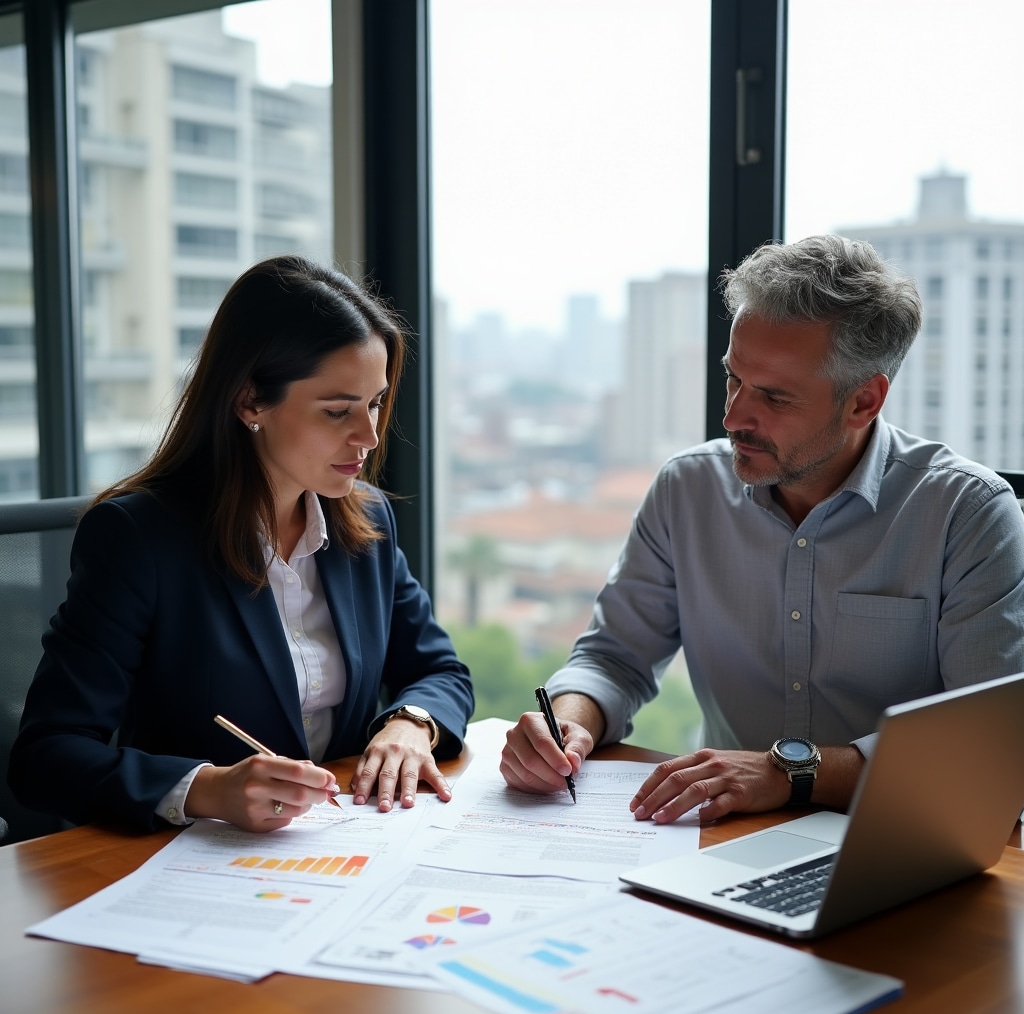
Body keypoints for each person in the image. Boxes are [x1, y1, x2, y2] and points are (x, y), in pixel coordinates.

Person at [501, 234, 1024, 824]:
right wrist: (569, 720)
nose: (732, 418)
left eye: (773, 397)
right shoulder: (687, 489)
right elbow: (614, 658)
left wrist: (787, 773)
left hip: (898, 835)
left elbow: (990, 749)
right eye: (733, 379)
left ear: (863, 402)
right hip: (728, 837)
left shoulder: (968, 513)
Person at [10, 255, 473, 834]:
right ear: (251, 401)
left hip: (350, 844)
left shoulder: (366, 522)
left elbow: (440, 670)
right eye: (338, 411)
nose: (370, 436)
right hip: (196, 863)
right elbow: (46, 757)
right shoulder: (138, 538)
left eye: (376, 402)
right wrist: (208, 789)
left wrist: (410, 722)